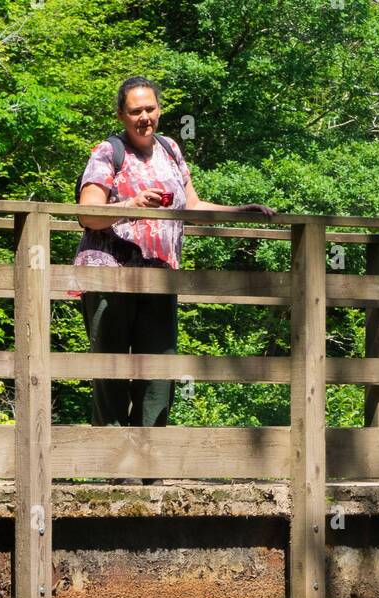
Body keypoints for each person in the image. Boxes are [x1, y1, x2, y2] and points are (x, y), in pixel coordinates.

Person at [74, 76, 275, 427]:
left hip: (161, 276)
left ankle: (149, 466)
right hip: (110, 276)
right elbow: (87, 214)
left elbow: (193, 204)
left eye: (150, 109)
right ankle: (113, 467)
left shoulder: (170, 149)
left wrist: (239, 211)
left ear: (160, 110)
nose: (144, 117)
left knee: (159, 371)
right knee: (111, 370)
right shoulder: (108, 151)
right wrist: (133, 203)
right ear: (121, 115)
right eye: (135, 111)